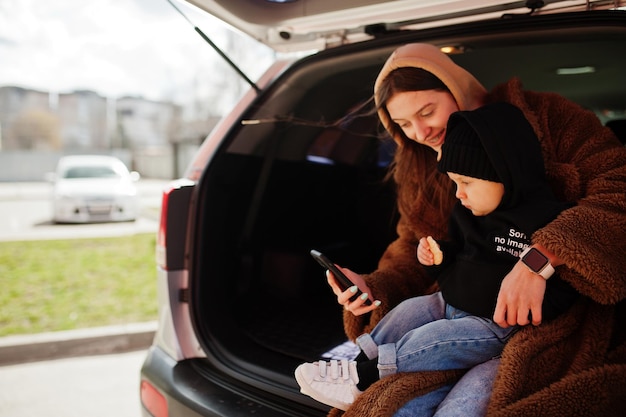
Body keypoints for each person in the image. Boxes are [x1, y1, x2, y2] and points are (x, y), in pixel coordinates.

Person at [312, 43, 626, 417]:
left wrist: (539, 259)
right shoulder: (419, 165)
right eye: (403, 124)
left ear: (457, 88)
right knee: (390, 402)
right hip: (454, 306)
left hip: (554, 320)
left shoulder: (548, 119)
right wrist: (373, 287)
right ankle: (361, 369)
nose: (421, 132)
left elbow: (619, 189)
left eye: (427, 112)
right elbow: (413, 247)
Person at [295, 102, 578, 411]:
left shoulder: (546, 220)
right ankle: (360, 361)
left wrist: (539, 300)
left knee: (436, 337)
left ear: (506, 172)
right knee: (406, 313)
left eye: (466, 182)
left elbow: (567, 279)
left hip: (495, 325)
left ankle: (365, 377)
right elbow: (464, 255)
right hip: (448, 302)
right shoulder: (468, 214)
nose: (459, 193)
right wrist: (439, 257)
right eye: (455, 182)